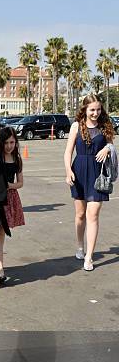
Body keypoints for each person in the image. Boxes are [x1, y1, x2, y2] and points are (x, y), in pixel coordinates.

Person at [64, 94, 114, 271]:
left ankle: (89, 257)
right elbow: (68, 152)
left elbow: (111, 145)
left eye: (98, 109)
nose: (96, 113)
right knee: (80, 215)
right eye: (92, 109)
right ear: (84, 109)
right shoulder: (76, 126)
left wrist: (108, 148)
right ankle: (80, 246)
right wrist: (68, 171)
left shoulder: (104, 126)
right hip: (79, 171)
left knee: (93, 215)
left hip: (97, 173)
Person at [0, 127, 24, 284]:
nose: (9, 146)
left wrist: (9, 185)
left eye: (12, 142)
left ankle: (0, 269)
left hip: (9, 199)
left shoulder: (17, 159)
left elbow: (21, 183)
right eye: (6, 142)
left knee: (0, 234)